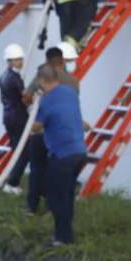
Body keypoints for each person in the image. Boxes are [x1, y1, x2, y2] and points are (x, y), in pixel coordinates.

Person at [18, 45, 81, 214]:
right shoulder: (74, 82)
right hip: (63, 135)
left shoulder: (42, 78)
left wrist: (33, 106)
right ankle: (53, 207)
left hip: (41, 131)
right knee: (57, 172)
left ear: (47, 61)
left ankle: (31, 207)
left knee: (37, 169)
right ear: (63, 61)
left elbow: (26, 97)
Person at [31, 65, 89, 245]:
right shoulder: (70, 92)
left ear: (41, 81)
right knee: (67, 194)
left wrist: (34, 108)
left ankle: (62, 238)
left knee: (56, 197)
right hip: (80, 153)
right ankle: (66, 235)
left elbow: (36, 127)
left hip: (62, 155)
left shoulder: (46, 102)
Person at [0, 44, 30, 194]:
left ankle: (11, 182)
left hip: (8, 116)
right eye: (17, 59)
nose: (20, 62)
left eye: (21, 59)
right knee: (23, 152)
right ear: (10, 61)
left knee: (17, 150)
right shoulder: (14, 78)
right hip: (18, 118)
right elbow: (25, 97)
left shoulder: (4, 76)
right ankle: (12, 183)